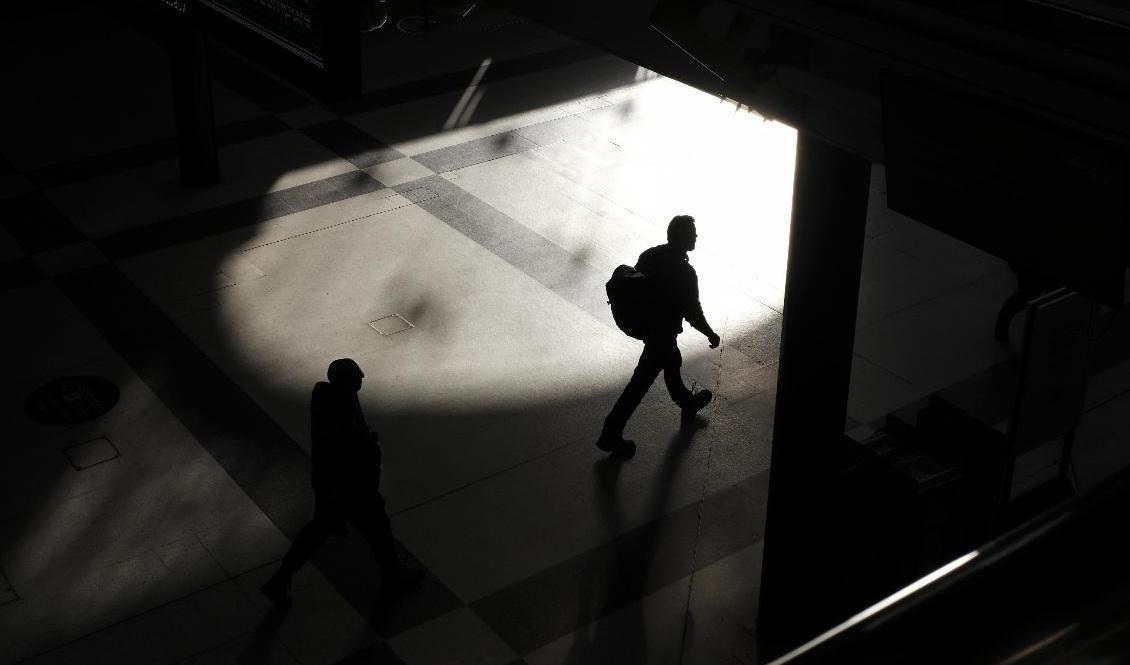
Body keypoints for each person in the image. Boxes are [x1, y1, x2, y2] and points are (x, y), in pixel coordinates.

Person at [260, 358, 422, 605]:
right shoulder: (341, 407)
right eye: (356, 379)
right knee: (377, 527)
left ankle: (281, 578)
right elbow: (349, 448)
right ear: (347, 381)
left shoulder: (331, 399)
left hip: (336, 485)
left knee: (319, 531)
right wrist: (369, 444)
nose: (360, 383)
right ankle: (393, 576)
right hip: (349, 487)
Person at [597, 215, 721, 458]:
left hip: (650, 328)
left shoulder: (650, 255)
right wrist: (710, 333)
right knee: (640, 383)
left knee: (671, 364)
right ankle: (610, 433)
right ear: (683, 236)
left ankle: (687, 402)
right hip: (661, 333)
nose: (696, 236)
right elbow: (692, 311)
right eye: (692, 232)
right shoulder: (685, 272)